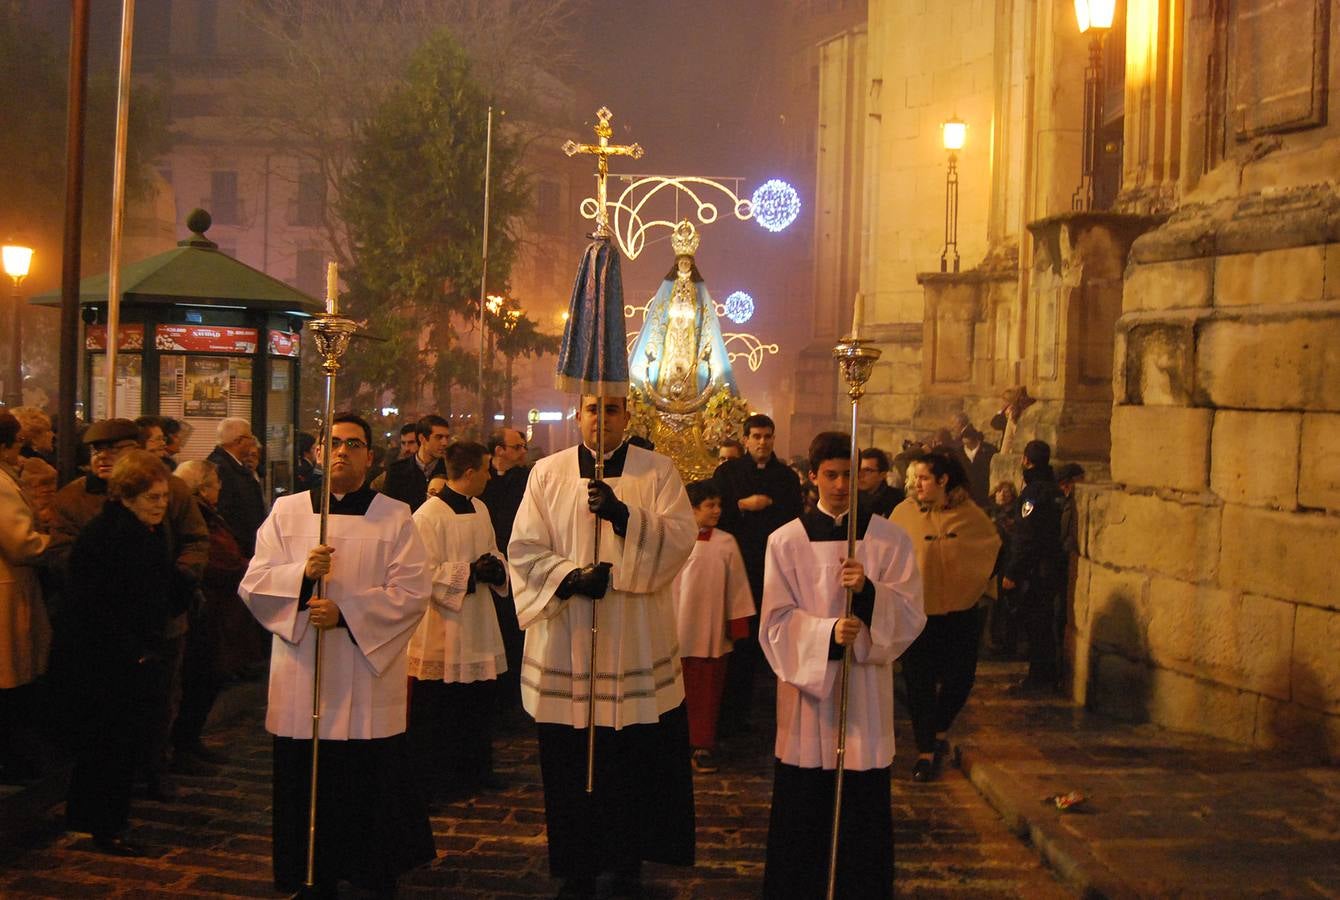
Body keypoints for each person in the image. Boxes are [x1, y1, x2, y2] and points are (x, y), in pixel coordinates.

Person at [508, 394, 698, 899]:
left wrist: (623, 515)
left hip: (633, 638)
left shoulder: (657, 471)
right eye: (592, 408)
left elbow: (681, 538)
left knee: (631, 756)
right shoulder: (546, 473)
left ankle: (625, 858)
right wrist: (569, 577)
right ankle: (577, 865)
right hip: (568, 638)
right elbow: (523, 548)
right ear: (578, 415)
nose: (601, 418)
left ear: (627, 418)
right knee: (569, 758)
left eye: (612, 409)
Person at [239, 412, 434, 895]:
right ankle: (310, 872)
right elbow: (255, 583)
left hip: (365, 674)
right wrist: (301, 577)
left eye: (355, 444)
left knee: (366, 778)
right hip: (304, 671)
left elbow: (412, 592)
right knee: (307, 779)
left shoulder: (395, 514)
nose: (343, 451)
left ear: (370, 456)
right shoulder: (287, 513)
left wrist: (345, 613)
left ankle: (371, 870)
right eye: (335, 442)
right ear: (320, 452)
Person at [759, 431, 925, 900]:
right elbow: (772, 625)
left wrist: (870, 594)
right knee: (804, 807)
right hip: (808, 702)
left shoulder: (891, 539)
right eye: (830, 475)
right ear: (812, 477)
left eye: (849, 475)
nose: (839, 484)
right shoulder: (785, 541)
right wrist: (827, 635)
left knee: (862, 808)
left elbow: (912, 615)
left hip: (864, 696)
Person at [49, 418, 209, 799]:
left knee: (160, 699)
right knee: (110, 715)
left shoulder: (169, 489)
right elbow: (63, 556)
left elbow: (194, 540)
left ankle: (155, 766)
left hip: (162, 619)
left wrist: (176, 584)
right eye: (96, 451)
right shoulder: (74, 499)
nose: (104, 458)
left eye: (115, 449)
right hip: (108, 627)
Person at [62, 451, 192, 855]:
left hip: (122, 656)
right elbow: (98, 603)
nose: (161, 506)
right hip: (108, 661)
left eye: (163, 497)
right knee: (110, 745)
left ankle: (94, 819)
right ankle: (105, 825)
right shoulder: (112, 536)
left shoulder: (142, 532)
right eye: (152, 498)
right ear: (127, 496)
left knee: (112, 745)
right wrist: (134, 651)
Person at [407, 441, 509, 802]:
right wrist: (469, 572)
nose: (490, 474)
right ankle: (441, 778)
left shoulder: (480, 507)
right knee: (443, 707)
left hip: (478, 619)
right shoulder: (427, 516)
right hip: (444, 626)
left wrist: (497, 566)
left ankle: (478, 769)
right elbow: (422, 575)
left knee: (478, 701)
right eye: (486, 468)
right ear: (468, 473)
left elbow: (493, 548)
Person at [890, 452, 1000, 782]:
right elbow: (888, 555)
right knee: (919, 682)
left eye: (922, 478)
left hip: (960, 612)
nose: (914, 485)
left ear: (943, 481)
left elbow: (990, 549)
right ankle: (925, 751)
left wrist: (975, 583)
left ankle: (938, 728)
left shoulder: (971, 515)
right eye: (912, 478)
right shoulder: (903, 514)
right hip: (918, 612)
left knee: (960, 678)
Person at [712, 413, 803, 736]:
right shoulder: (728, 472)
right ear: (746, 439)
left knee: (770, 641)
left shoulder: (786, 478)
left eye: (768, 436)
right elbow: (715, 513)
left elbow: (795, 519)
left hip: (773, 569)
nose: (762, 442)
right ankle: (730, 715)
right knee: (738, 643)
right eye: (757, 436)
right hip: (738, 567)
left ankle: (767, 711)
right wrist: (742, 505)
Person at [169, 460, 248, 771]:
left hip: (216, 612)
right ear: (202, 488)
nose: (220, 490)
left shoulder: (206, 514)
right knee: (199, 679)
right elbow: (217, 560)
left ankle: (190, 741)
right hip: (204, 612)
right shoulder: (194, 517)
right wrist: (247, 567)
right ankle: (182, 746)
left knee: (207, 679)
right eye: (216, 484)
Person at [671, 479, 754, 774]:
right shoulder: (673, 539)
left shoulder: (726, 542)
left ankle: (703, 744)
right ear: (692, 509)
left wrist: (738, 624)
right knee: (673, 693)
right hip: (674, 631)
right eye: (710, 505)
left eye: (719, 505)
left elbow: (738, 587)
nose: (717, 510)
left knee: (707, 694)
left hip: (711, 633)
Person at [0, 410, 52, 783]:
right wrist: (57, 543)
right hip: (7, 591)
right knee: (11, 684)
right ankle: (16, 762)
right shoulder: (1, 482)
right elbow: (21, 543)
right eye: (18, 444)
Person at [1001, 440, 1066, 693]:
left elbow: (1027, 536)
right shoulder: (1054, 490)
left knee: (1035, 624)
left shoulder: (1034, 493)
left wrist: (1013, 572)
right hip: (1050, 567)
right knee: (1044, 622)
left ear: (1026, 460)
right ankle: (1045, 675)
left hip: (1036, 571)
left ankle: (1040, 678)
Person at [480, 426, 531, 710]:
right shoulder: (481, 478)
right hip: (486, 567)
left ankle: (513, 700)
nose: (523, 451)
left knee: (513, 634)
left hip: (516, 566)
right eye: (517, 447)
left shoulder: (526, 479)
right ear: (499, 450)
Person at [207, 418, 266, 556]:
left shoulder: (235, 466)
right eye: (250, 438)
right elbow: (225, 512)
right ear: (239, 441)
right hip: (236, 549)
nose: (253, 442)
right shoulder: (220, 468)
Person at [381, 414, 449, 511]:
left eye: (447, 437)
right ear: (422, 438)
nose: (444, 443)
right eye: (439, 437)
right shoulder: (397, 471)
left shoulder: (450, 470)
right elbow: (388, 510)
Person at [985, 481, 1021, 657]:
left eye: (1007, 491)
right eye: (1000, 491)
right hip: (990, 564)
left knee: (1004, 604)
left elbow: (1014, 540)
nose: (1003, 494)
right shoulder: (987, 512)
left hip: (1005, 562)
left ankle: (1003, 641)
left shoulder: (1014, 514)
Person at [953, 425, 998, 508]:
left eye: (968, 438)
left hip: (984, 492)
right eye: (964, 439)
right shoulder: (958, 453)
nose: (965, 441)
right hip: (965, 495)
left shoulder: (989, 450)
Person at [857, 447, 904, 518]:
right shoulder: (850, 498)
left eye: (867, 470)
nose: (860, 475)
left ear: (882, 475)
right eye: (858, 470)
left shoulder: (897, 500)